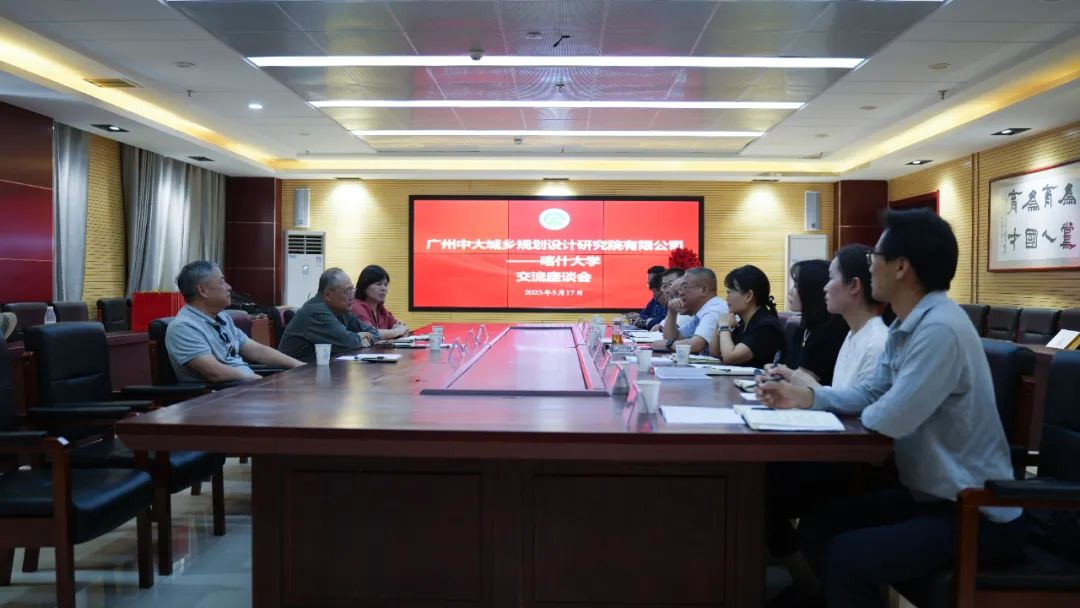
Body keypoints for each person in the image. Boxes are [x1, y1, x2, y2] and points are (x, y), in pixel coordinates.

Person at [758, 209, 1025, 608]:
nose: (869, 267)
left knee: (849, 557)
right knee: (818, 526)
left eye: (874, 258)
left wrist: (857, 402)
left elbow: (888, 418)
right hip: (929, 497)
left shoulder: (940, 329)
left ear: (901, 267)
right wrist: (808, 398)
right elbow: (870, 392)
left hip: (974, 512)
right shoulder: (906, 324)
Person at [767, 245, 888, 390]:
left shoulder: (876, 343)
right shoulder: (853, 335)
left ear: (854, 286)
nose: (825, 287)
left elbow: (858, 403)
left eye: (831, 278)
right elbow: (840, 393)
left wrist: (808, 385)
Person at [165, 261, 303, 383]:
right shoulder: (184, 327)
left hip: (246, 388)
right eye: (222, 282)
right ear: (202, 290)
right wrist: (258, 381)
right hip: (218, 396)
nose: (229, 287)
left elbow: (257, 350)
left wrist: (300, 366)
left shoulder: (223, 318)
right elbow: (215, 373)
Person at [279, 268, 380, 362]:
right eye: (347, 291)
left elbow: (374, 333)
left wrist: (361, 338)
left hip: (321, 369)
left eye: (352, 290)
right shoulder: (316, 311)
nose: (351, 297)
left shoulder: (341, 310)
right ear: (328, 295)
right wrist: (360, 337)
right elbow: (348, 342)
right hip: (296, 372)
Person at [784, 259, 849, 386]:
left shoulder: (830, 333)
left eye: (796, 286)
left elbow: (802, 381)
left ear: (812, 291)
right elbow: (788, 369)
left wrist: (782, 373)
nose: (790, 291)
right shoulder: (801, 330)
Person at [710, 264, 785, 367]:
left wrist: (724, 327)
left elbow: (730, 357)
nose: (727, 298)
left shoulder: (766, 326)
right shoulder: (744, 323)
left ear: (749, 296)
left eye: (730, 292)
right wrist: (719, 323)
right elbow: (715, 352)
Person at [651, 267, 728, 354]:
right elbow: (671, 338)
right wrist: (672, 313)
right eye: (680, 289)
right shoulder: (700, 312)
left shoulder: (715, 309)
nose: (680, 293)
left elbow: (696, 345)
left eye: (685, 287)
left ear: (704, 290)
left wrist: (668, 345)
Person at [350, 264, 409, 340]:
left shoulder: (380, 309)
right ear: (364, 286)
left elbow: (402, 328)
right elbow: (371, 333)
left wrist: (399, 331)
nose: (384, 288)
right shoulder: (356, 307)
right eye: (378, 284)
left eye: (385, 285)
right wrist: (398, 331)